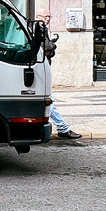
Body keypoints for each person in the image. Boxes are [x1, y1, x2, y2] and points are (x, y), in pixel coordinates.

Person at [35, 13, 82, 141]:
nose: (48, 19)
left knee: (46, 100)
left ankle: (61, 128)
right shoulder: (39, 27)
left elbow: (49, 49)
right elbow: (48, 47)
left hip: (42, 67)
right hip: (40, 68)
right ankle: (63, 128)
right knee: (48, 100)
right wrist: (52, 46)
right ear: (38, 16)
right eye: (46, 16)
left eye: (50, 16)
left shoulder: (40, 27)